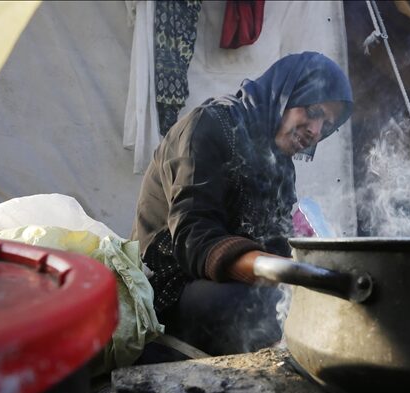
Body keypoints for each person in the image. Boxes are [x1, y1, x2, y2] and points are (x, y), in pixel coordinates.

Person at [131, 52, 353, 357]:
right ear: (284, 92)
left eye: (326, 126)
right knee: (260, 307)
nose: (315, 131)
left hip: (233, 283)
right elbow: (195, 239)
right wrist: (286, 275)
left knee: (316, 305)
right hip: (171, 284)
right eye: (313, 111)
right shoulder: (210, 125)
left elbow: (277, 242)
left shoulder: (281, 163)